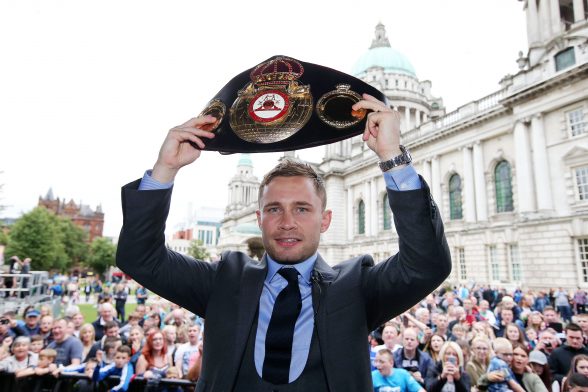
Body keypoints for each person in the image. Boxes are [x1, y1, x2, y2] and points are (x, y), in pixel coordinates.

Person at [116, 94, 452, 391]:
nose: (287, 222)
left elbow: (426, 264)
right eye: (274, 209)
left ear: (325, 220)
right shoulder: (222, 281)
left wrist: (392, 156)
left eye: (302, 209)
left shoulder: (357, 287)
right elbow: (139, 257)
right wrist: (165, 169)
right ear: (260, 219)